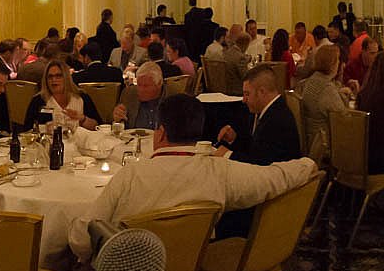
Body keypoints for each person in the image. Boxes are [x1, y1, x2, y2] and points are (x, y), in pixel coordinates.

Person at [67, 94, 318, 255]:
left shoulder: (131, 176)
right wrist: (308, 164)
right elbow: (274, 178)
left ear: (160, 133)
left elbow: (81, 239)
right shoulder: (219, 172)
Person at [217, 65, 302, 168]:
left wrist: (227, 155)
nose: (244, 100)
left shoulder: (277, 119)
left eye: (247, 94)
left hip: (279, 176)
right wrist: (234, 139)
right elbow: (254, 148)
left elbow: (260, 165)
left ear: (262, 92)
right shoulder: (264, 111)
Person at [299, 42, 347, 161]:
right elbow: (343, 118)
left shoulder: (312, 80)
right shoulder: (326, 88)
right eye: (338, 60)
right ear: (332, 64)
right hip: (324, 144)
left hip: (311, 138)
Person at [25, 58, 98, 131]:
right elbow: (27, 130)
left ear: (66, 78)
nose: (54, 80)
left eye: (58, 76)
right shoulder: (38, 100)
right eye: (50, 77)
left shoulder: (81, 97)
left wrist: (82, 119)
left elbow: (97, 127)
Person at [113, 65, 165, 131]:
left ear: (159, 84)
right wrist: (117, 119)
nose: (141, 90)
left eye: (146, 86)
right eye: (139, 85)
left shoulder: (172, 98)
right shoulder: (129, 94)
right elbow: (119, 126)